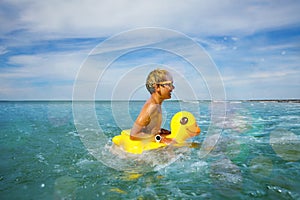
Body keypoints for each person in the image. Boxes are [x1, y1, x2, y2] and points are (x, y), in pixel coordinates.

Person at [130, 69, 175, 145]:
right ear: (157, 87)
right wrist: (160, 139)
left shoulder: (156, 105)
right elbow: (133, 135)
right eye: (169, 84)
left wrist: (159, 130)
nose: (172, 88)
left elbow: (147, 128)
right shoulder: (152, 107)